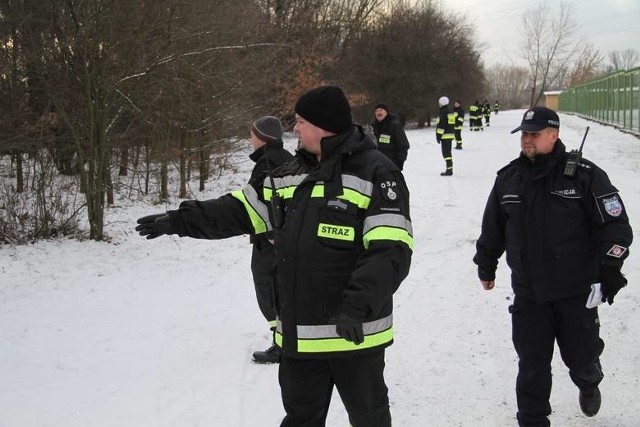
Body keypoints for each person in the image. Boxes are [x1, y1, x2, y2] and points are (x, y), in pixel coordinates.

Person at [136, 85, 413, 427]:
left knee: (369, 419)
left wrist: (357, 307)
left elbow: (391, 250)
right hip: (300, 338)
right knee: (300, 419)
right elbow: (239, 211)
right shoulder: (285, 175)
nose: (294, 129)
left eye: (300, 121)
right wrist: (181, 219)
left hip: (354, 335)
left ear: (323, 124)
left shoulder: (376, 173)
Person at [473, 107, 633, 427]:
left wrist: (610, 267)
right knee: (532, 366)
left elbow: (615, 227)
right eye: (524, 134)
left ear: (554, 135)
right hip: (530, 294)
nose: (527, 139)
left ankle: (588, 381)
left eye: (534, 133)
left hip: (576, 292)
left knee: (581, 358)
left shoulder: (586, 176)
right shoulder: (508, 179)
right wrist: (486, 264)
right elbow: (493, 228)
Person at [246, 116, 294, 363]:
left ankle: (282, 343)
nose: (250, 138)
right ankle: (284, 338)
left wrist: (273, 233)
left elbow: (270, 202)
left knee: (270, 288)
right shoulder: (284, 158)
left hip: (271, 240)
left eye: (253, 133)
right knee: (278, 287)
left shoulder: (268, 162)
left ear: (263, 137)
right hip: (278, 237)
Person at [371, 103, 410, 170]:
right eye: (376, 111)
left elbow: (404, 146)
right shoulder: (373, 127)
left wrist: (399, 162)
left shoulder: (394, 125)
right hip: (377, 164)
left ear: (386, 112)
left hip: (391, 164)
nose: (379, 113)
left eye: (381, 110)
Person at [435, 96, 456, 176]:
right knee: (448, 153)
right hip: (450, 135)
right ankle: (449, 169)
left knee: (446, 154)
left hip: (445, 136)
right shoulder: (450, 111)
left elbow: (441, 125)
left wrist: (438, 136)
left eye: (439, 103)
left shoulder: (443, 112)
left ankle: (449, 170)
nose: (438, 104)